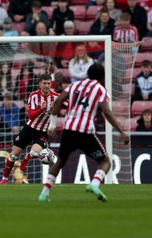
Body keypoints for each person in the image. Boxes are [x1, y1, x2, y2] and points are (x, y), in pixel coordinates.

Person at [38, 64, 129, 202]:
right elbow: (106, 112)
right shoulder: (100, 89)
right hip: (85, 131)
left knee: (60, 161)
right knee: (105, 162)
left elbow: (58, 101)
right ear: (102, 77)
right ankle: (94, 184)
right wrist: (121, 132)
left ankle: (44, 194)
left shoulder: (75, 85)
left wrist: (52, 125)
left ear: (88, 73)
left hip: (69, 129)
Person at [0, 74, 59, 184]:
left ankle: (27, 157)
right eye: (44, 83)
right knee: (13, 156)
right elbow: (31, 115)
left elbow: (68, 105)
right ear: (40, 84)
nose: (46, 86)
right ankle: (4, 179)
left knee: (35, 153)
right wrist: (41, 108)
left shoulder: (56, 97)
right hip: (29, 128)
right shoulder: (33, 95)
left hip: (42, 132)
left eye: (48, 83)